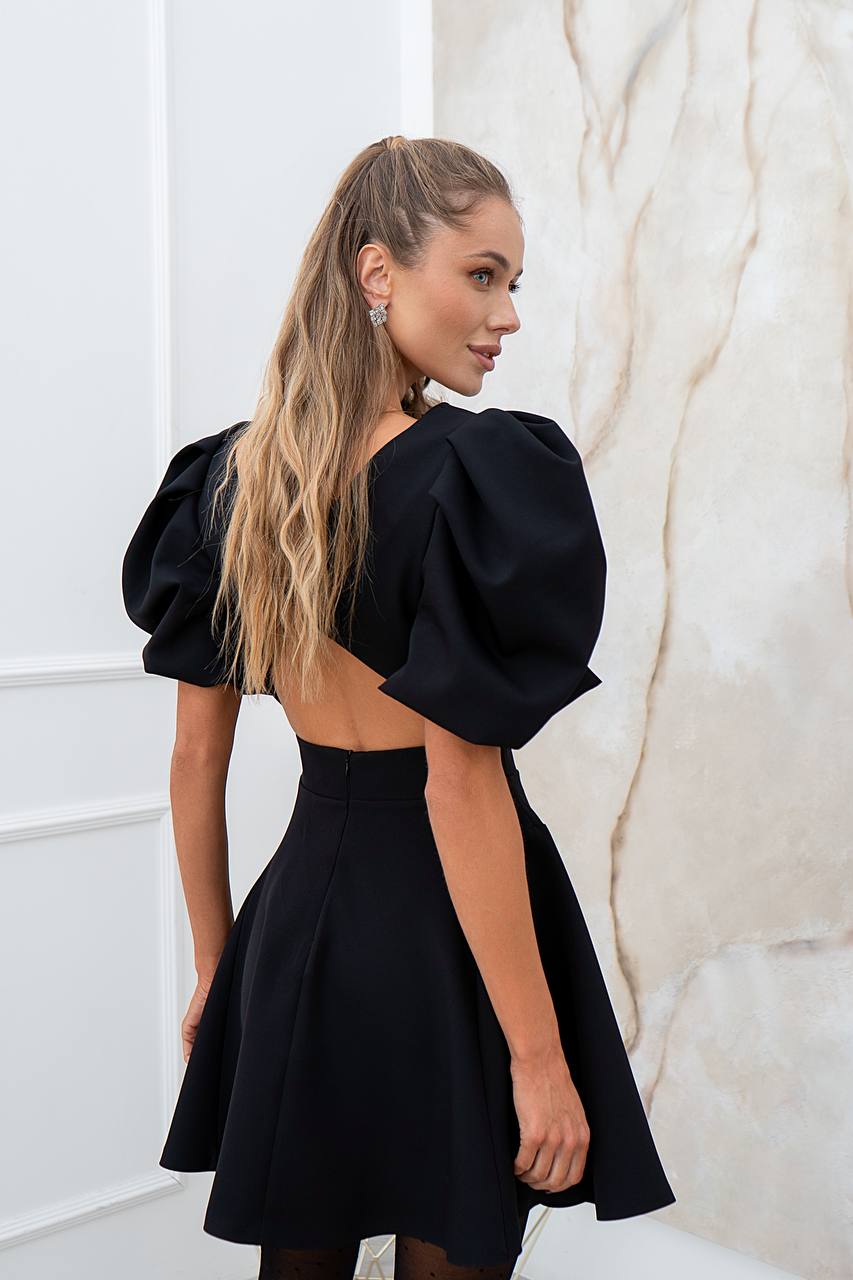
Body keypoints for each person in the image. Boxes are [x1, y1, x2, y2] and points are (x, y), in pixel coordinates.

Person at [121, 135, 675, 1280]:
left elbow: (193, 759)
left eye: (512, 281)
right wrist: (538, 1057)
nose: (506, 314)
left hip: (301, 926)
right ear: (378, 273)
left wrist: (220, 964)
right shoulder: (470, 476)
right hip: (446, 935)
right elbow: (457, 783)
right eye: (481, 274)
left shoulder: (226, 482)